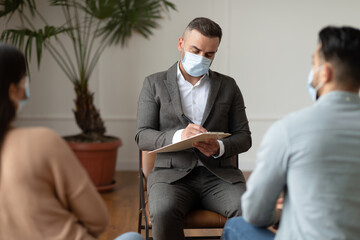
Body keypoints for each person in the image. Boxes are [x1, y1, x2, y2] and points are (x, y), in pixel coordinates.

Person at [222, 26, 360, 240]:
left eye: (314, 63)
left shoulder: (289, 130)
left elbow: (255, 213)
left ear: (325, 73)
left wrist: (282, 210)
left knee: (236, 226)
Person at [0, 43, 144, 240]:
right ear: (12, 90)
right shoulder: (42, 141)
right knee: (133, 238)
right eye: (24, 78)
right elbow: (98, 220)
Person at [135, 17, 251, 240]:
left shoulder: (228, 86)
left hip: (220, 176)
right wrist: (180, 135)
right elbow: (143, 135)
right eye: (195, 50)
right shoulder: (154, 84)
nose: (201, 58)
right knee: (163, 211)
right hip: (170, 176)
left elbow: (244, 138)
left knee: (247, 211)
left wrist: (218, 147)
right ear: (181, 44)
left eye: (209, 55)